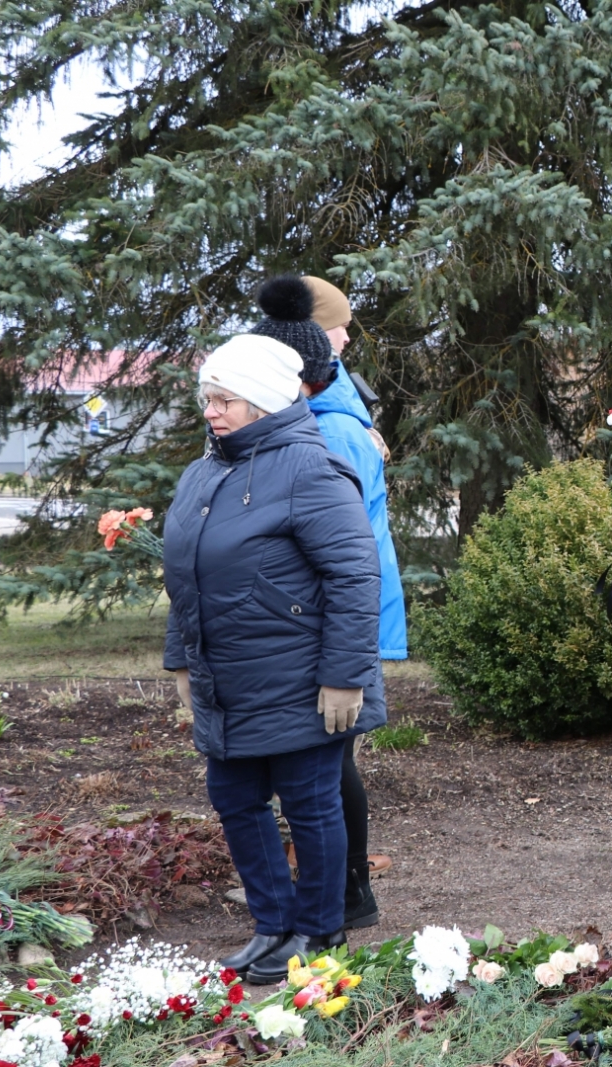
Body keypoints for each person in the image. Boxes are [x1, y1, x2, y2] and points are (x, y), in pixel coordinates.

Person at [164, 333, 385, 984]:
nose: (213, 410)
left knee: (312, 805)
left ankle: (321, 934)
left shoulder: (309, 468)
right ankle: (274, 926)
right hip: (229, 679)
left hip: (300, 679)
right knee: (233, 797)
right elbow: (185, 572)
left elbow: (354, 574)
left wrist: (346, 676)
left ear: (261, 401)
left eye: (225, 398)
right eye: (208, 398)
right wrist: (181, 659)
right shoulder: (205, 471)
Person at [249, 274, 406, 932]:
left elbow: (348, 551)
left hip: (336, 621)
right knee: (323, 759)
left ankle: (348, 891)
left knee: (330, 760)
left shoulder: (334, 430)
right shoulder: (327, 417)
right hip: (321, 619)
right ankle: (336, 882)